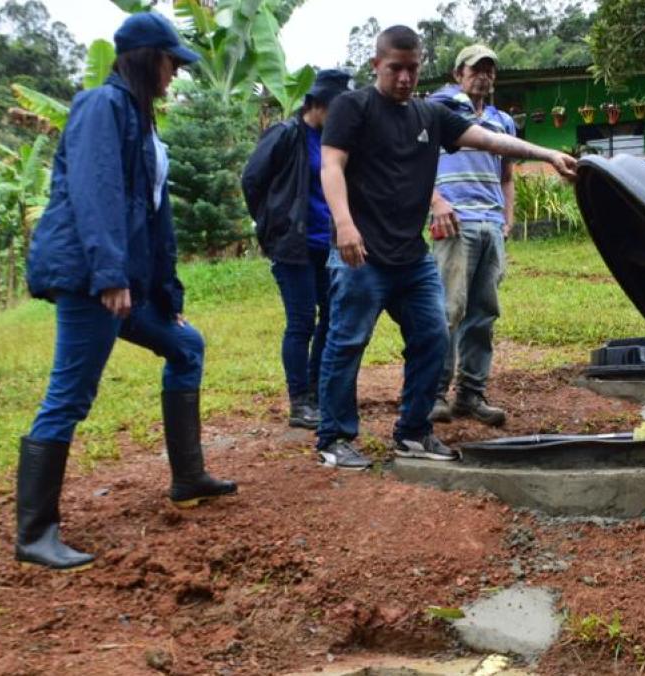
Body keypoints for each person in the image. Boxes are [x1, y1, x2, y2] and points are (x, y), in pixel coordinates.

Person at [18, 12, 236, 570]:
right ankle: (35, 534)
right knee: (68, 395)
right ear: (146, 59)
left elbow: (156, 217)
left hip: (128, 288)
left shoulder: (141, 120)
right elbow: (96, 193)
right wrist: (110, 275)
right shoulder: (101, 106)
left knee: (187, 347)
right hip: (93, 282)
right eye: (171, 62)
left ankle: (188, 476)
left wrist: (169, 296)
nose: (175, 74)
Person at [315, 25, 578, 470]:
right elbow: (331, 165)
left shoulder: (428, 116)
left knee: (434, 335)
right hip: (361, 254)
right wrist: (344, 224)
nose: (404, 78)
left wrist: (547, 154)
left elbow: (489, 140)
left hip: (410, 257)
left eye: (412, 69)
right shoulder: (352, 107)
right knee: (347, 342)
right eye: (395, 68)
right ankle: (334, 438)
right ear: (377, 64)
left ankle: (414, 431)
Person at [241, 69, 353, 430]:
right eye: (335, 109)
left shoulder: (334, 141)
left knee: (332, 318)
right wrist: (271, 223)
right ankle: (299, 401)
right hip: (293, 246)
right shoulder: (287, 134)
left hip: (328, 243)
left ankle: (319, 393)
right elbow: (251, 179)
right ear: (316, 105)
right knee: (302, 321)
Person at [426, 44, 514, 428]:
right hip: (453, 223)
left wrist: (507, 220)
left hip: (490, 225)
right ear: (458, 73)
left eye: (489, 70)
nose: (483, 75)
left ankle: (471, 393)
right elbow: (418, 162)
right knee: (447, 310)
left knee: (483, 312)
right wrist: (435, 201)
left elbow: (507, 176)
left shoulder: (502, 121)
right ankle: (434, 393)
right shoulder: (439, 108)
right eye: (476, 68)